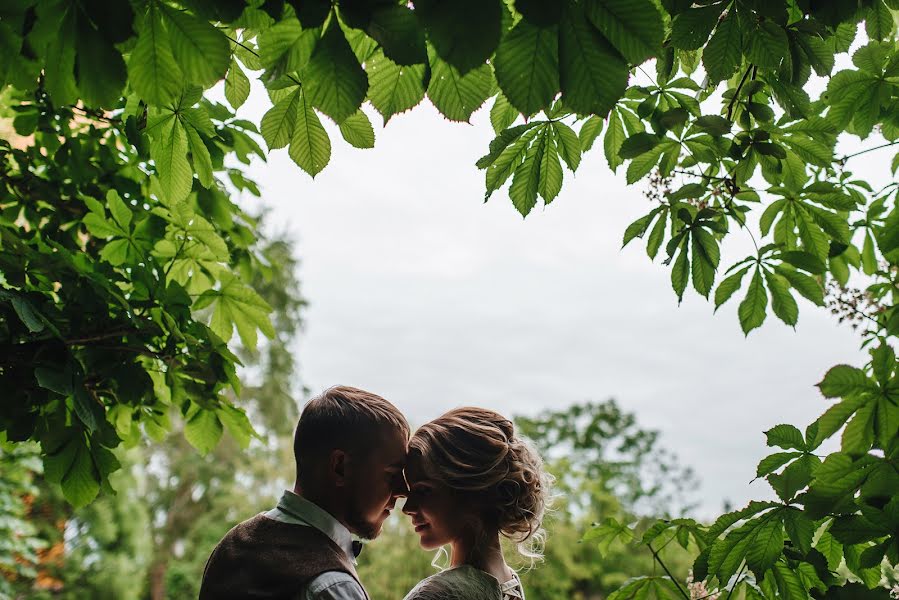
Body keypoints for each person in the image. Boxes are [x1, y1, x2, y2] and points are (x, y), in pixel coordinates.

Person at [199, 385, 409, 600]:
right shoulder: (331, 587)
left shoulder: (231, 546)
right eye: (392, 474)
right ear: (340, 467)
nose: (403, 491)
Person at [401, 407, 552, 600]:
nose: (408, 508)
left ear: (472, 490)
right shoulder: (510, 582)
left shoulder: (436, 595)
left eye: (423, 491)